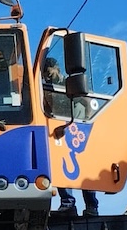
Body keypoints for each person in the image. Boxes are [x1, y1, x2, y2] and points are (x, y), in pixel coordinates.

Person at [42, 57, 99, 217]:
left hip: (78, 130)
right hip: (60, 130)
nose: (46, 76)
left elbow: (88, 103)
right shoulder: (46, 88)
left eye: (47, 72)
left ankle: (91, 207)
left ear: (56, 68)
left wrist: (86, 123)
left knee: (85, 168)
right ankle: (68, 204)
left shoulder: (71, 83)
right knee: (63, 166)